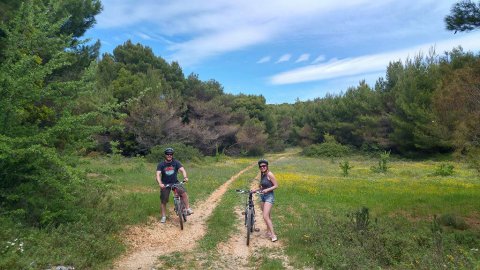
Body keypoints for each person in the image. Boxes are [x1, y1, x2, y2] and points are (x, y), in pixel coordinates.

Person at [156, 147, 193, 223]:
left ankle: (187, 208)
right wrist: (160, 183)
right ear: (165, 155)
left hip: (175, 182)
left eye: (171, 154)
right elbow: (158, 175)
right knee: (164, 201)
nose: (169, 155)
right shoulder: (161, 164)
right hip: (165, 184)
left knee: (183, 193)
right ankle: (163, 216)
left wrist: (185, 177)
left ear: (172, 155)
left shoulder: (176, 162)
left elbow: (182, 170)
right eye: (167, 154)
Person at [252, 158, 279, 242]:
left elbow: (276, 185)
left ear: (267, 166)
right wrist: (255, 190)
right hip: (262, 197)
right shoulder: (263, 174)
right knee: (268, 216)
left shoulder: (270, 174)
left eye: (264, 166)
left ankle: (273, 235)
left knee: (265, 216)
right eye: (260, 166)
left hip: (269, 196)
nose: (262, 167)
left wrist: (267, 190)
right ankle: (268, 231)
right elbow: (262, 187)